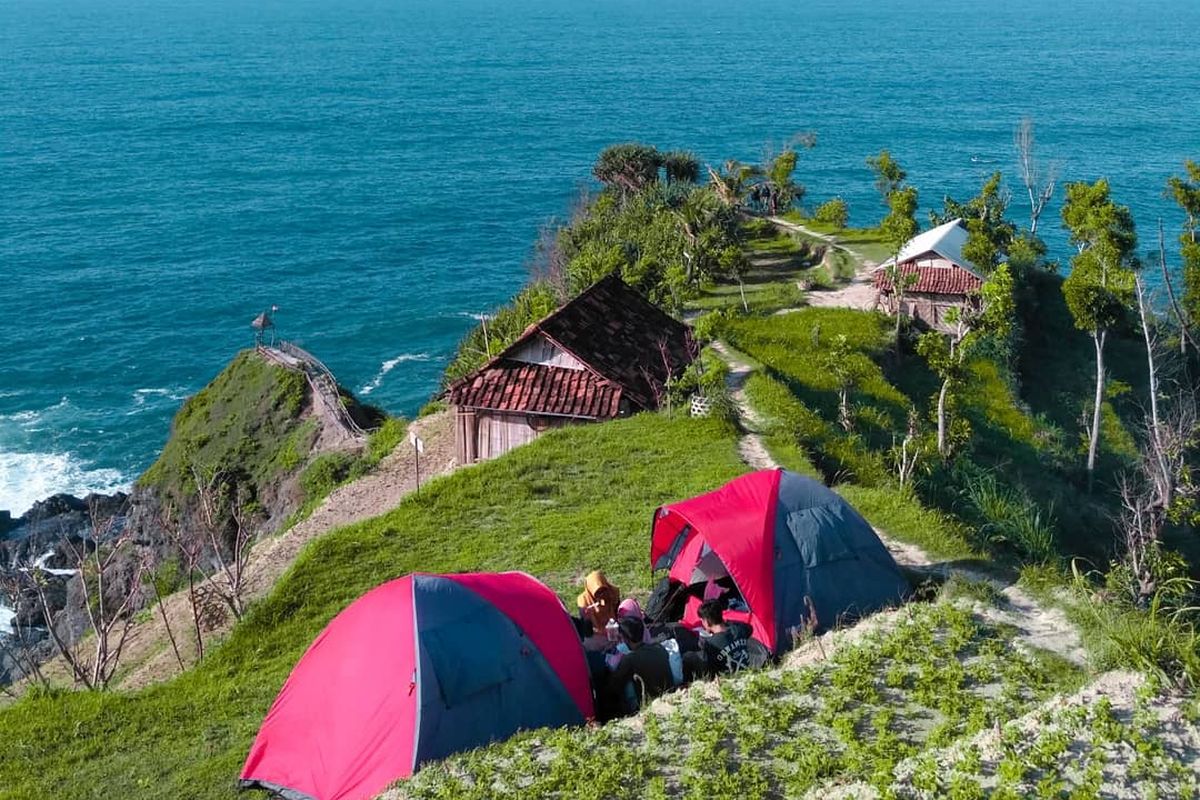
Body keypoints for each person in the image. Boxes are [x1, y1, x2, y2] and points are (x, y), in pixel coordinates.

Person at [605, 617, 676, 716]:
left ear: (625, 638)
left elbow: (614, 685)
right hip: (670, 696)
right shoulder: (659, 648)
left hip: (649, 705)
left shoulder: (630, 659)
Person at [697, 599, 753, 675]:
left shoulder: (709, 644)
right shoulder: (739, 629)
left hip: (728, 677)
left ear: (706, 622)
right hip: (747, 671)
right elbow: (750, 628)